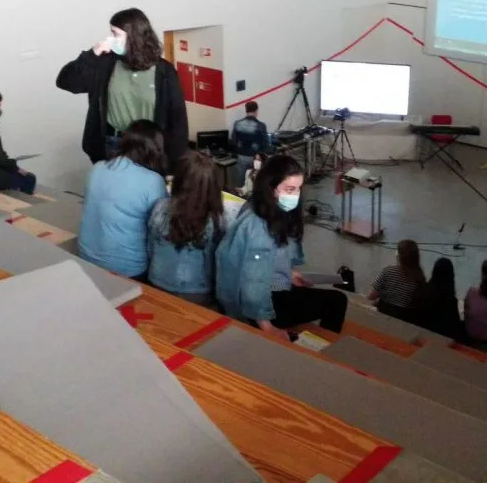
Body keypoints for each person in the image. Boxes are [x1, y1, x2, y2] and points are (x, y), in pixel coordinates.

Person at [216, 154, 348, 340]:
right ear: (271, 188)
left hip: (266, 288)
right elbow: (254, 281)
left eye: (298, 189)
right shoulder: (259, 228)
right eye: (289, 189)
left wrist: (290, 273)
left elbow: (271, 258)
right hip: (255, 304)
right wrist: (267, 326)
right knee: (337, 301)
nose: (295, 195)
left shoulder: (257, 206)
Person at [56, 8, 188, 171]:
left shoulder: (164, 72)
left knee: (147, 192)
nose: (111, 39)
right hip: (112, 143)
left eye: (115, 34)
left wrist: (176, 165)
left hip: (149, 147)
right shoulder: (105, 63)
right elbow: (66, 82)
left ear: (134, 36)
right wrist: (91, 56)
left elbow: (177, 120)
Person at [79, 119, 167, 280]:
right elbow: (160, 228)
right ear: (155, 148)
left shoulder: (97, 168)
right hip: (128, 269)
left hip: (85, 257)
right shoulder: (153, 181)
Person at [148, 151, 224, 307]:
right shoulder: (217, 220)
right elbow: (215, 266)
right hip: (196, 289)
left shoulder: (160, 207)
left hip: (157, 280)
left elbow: (150, 246)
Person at [368, 240, 427, 326]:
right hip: (405, 320)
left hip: (385, 314)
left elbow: (372, 296)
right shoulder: (420, 278)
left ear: (399, 256)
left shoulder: (388, 271)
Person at [422, 258, 463, 341]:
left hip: (425, 334)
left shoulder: (425, 291)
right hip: (441, 339)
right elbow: (454, 328)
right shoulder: (450, 301)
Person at [232, 101, 268, 188]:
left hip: (242, 156)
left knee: (240, 183)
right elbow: (264, 143)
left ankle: (239, 199)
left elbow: (234, 140)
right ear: (256, 110)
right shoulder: (261, 125)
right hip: (256, 158)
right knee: (257, 182)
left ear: (246, 110)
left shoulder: (237, 123)